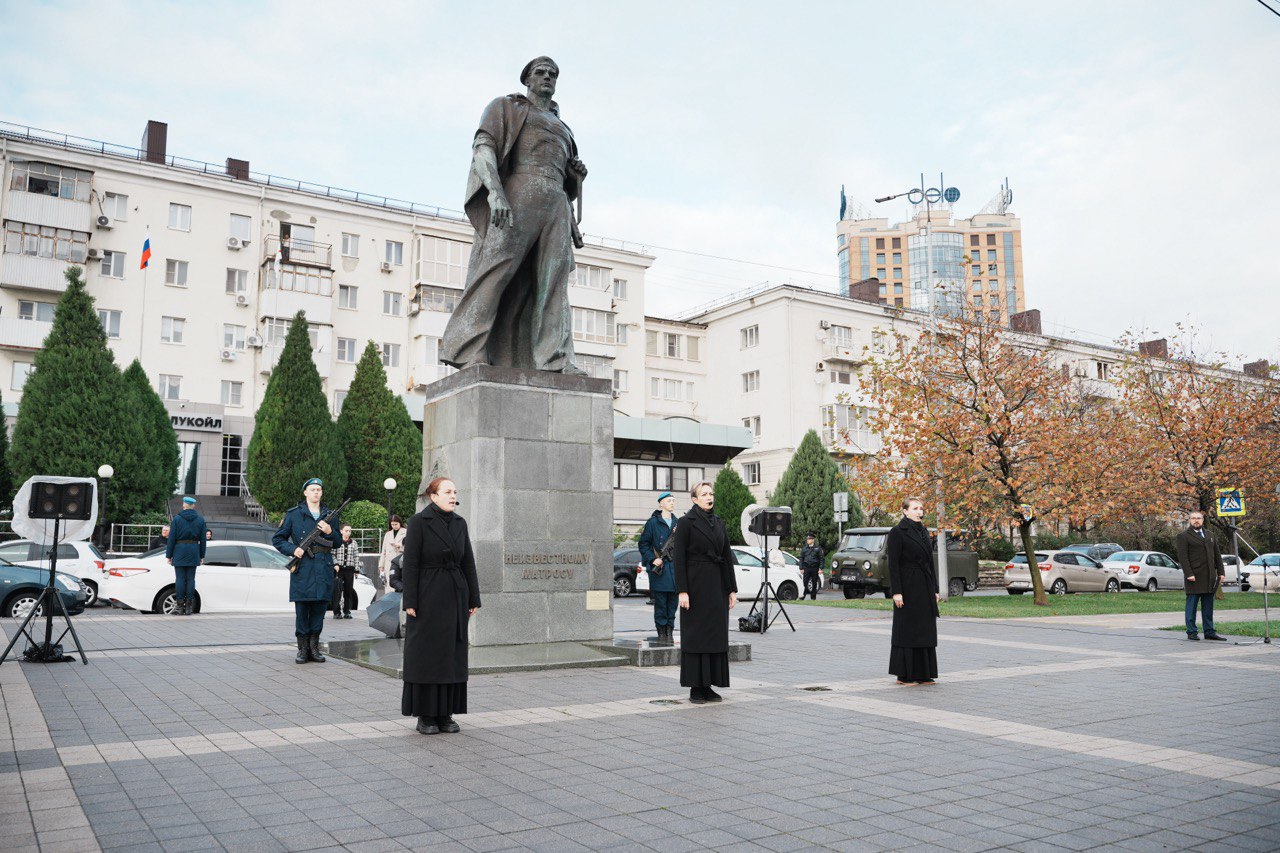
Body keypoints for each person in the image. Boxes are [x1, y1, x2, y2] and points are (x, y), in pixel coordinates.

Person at [439, 56, 589, 374]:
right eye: (541, 72)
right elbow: (483, 148)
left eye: (553, 74)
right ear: (527, 79)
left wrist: (576, 181)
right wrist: (495, 192)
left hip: (556, 204)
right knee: (495, 271)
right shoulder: (506, 107)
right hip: (519, 192)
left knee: (554, 282)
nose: (547, 77)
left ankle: (555, 358)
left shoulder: (564, 128)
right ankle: (468, 349)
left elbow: (567, 183)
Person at [401, 477, 481, 735]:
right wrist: (410, 600)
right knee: (427, 654)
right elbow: (410, 563)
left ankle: (446, 713)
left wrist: (474, 597)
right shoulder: (418, 522)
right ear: (433, 496)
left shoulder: (460, 523)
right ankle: (426, 715)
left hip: (456, 594)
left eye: (455, 491)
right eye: (447, 491)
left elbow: (468, 560)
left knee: (451, 654)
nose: (453, 495)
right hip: (427, 594)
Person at [673, 481, 738, 704]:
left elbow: (727, 557)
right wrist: (682, 591)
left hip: (717, 587)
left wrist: (731, 589)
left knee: (715, 635)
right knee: (696, 635)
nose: (709, 497)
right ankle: (695, 687)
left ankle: (709, 685)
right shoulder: (685, 523)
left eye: (711, 493)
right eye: (704, 494)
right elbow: (679, 560)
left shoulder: (719, 523)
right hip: (695, 586)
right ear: (694, 499)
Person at [273, 478, 343, 664]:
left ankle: (314, 647)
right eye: (312, 489)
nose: (316, 493)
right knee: (303, 610)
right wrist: (293, 550)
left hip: (323, 568)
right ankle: (302, 649)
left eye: (319, 489)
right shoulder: (294, 515)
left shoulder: (329, 515)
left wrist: (329, 531)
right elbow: (278, 539)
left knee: (319, 610)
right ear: (305, 492)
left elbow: (337, 543)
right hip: (303, 568)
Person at [887, 497, 940, 685]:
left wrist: (935, 588)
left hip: (924, 586)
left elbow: (930, 562)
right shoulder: (897, 532)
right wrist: (896, 592)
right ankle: (905, 675)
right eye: (915, 508)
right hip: (907, 586)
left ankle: (924, 673)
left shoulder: (924, 531)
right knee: (908, 630)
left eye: (921, 508)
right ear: (905, 511)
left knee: (924, 628)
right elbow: (892, 564)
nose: (920, 512)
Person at [1176, 510, 1227, 641]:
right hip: (1194, 577)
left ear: (1203, 520)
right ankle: (1191, 632)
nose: (1196, 520)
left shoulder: (1210, 535)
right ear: (1190, 520)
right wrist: (1189, 574)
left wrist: (1221, 572)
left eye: (1199, 518)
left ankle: (1209, 631)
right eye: (1193, 518)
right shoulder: (1183, 536)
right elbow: (1183, 557)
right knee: (1191, 606)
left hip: (1210, 576)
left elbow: (1217, 555)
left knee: (1208, 606)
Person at [638, 492, 680, 643]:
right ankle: (661, 632)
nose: (672, 503)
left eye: (673, 501)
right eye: (669, 501)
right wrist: (652, 559)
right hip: (660, 571)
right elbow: (643, 545)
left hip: (675, 570)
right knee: (661, 604)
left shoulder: (678, 523)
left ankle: (670, 630)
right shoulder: (653, 523)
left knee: (673, 604)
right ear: (661, 504)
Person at [165, 498, 205, 616]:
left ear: (184, 505)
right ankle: (188, 608)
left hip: (179, 551)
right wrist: (201, 555)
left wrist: (169, 555)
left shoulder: (177, 519)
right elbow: (203, 540)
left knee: (180, 579)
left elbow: (171, 538)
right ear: (193, 506)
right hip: (194, 551)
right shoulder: (200, 520)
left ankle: (179, 607)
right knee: (191, 579)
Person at [332, 524, 360, 620]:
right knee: (337, 591)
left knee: (348, 591)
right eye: (346, 530)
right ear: (341, 531)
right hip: (338, 570)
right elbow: (332, 554)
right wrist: (335, 564)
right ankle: (336, 612)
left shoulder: (354, 543)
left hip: (349, 569)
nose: (348, 532)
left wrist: (356, 569)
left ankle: (347, 611)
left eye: (350, 531)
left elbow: (356, 557)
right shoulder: (337, 542)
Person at [379, 516, 406, 593]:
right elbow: (383, 550)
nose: (394, 526)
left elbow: (409, 547)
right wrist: (381, 565)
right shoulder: (388, 534)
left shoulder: (406, 532)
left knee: (398, 581)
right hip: (388, 562)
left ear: (400, 523)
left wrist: (400, 546)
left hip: (399, 561)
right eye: (392, 524)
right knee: (388, 583)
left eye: (396, 524)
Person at [799, 533, 825, 601]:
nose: (808, 540)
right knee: (805, 582)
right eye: (807, 539)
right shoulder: (804, 548)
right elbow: (801, 558)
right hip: (806, 568)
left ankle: (813, 597)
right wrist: (801, 568)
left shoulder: (818, 548)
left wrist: (821, 568)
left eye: (809, 539)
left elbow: (821, 558)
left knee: (814, 582)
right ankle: (803, 595)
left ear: (813, 540)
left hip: (814, 568)